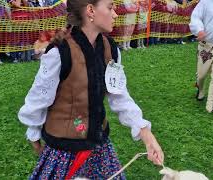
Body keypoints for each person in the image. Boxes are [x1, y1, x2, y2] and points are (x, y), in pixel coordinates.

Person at [18, 0, 164, 179]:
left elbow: (119, 96)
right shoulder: (59, 52)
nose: (115, 14)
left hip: (99, 146)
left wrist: (146, 135)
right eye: (110, 7)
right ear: (90, 11)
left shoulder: (110, 49)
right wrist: (33, 131)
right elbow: (39, 98)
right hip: (65, 151)